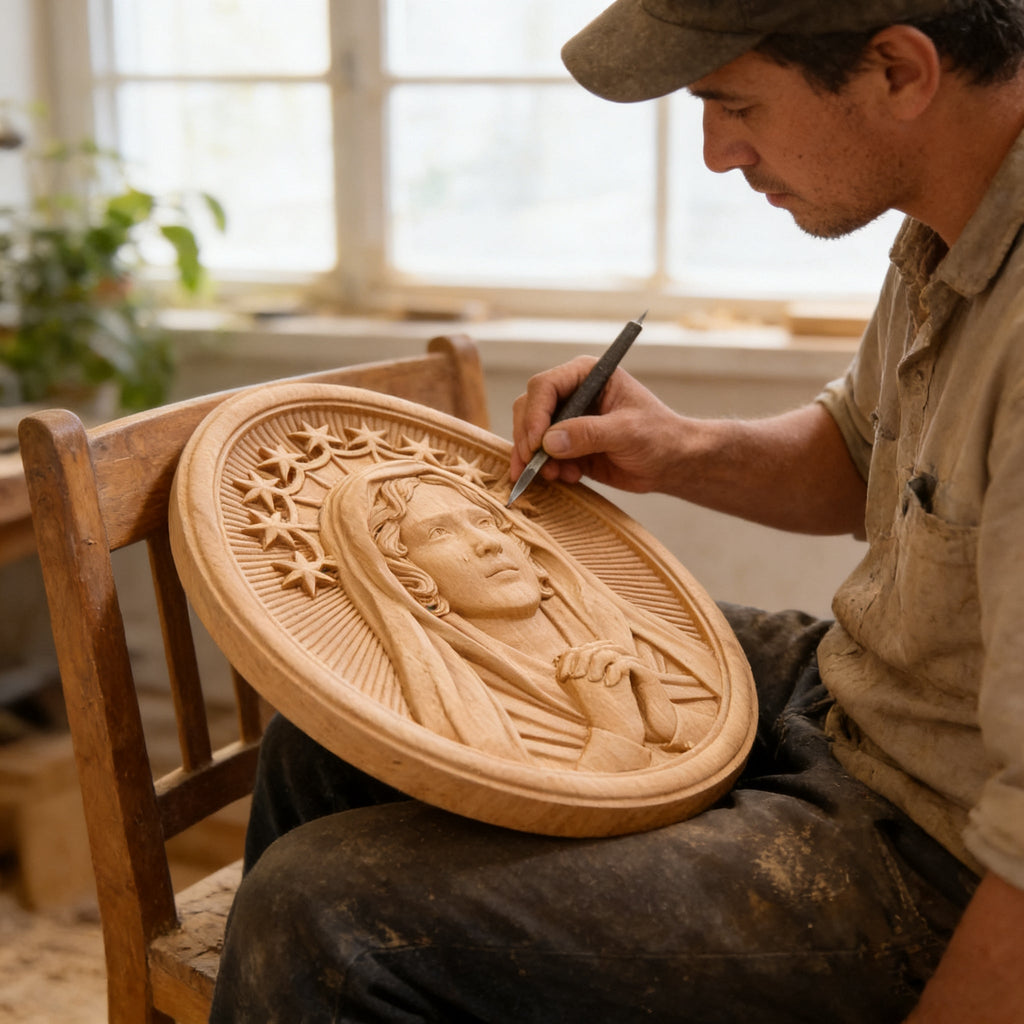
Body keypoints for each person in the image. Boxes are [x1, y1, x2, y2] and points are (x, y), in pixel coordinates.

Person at [210, 1, 1024, 1020]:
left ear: (899, 71)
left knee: (320, 917)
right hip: (856, 695)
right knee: (325, 736)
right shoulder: (944, 223)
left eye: (734, 105)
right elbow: (863, 454)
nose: (717, 153)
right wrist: (676, 448)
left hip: (937, 843)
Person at [320, 460, 720, 772]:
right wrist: (616, 733)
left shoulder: (639, 637)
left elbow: (731, 726)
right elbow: (532, 803)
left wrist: (665, 721)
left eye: (486, 522)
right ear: (402, 573)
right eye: (439, 533)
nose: (488, 543)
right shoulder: (452, 699)